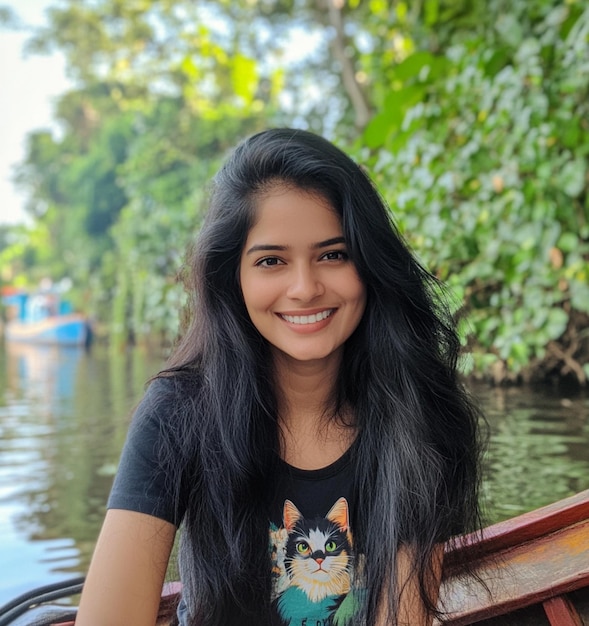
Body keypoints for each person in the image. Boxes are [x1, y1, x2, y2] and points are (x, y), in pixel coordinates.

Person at [76, 128, 484, 626]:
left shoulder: (417, 413)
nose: (305, 288)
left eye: (333, 254)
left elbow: (401, 618)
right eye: (271, 261)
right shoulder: (178, 413)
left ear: (369, 264)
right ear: (234, 277)